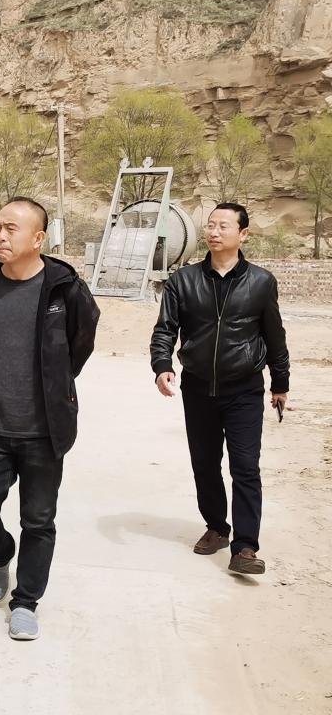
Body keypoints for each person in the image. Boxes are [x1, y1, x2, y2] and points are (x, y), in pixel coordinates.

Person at [0, 196, 99, 641]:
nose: (0, 236)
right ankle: (1, 554)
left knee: (38, 521)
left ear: (38, 238)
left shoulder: (64, 288)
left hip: (43, 431)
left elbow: (81, 341)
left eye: (11, 229)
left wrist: (55, 384)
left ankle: (25, 601)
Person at [150, 202, 289, 575]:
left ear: (243, 234)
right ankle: (216, 527)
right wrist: (162, 366)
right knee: (205, 464)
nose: (214, 232)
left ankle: (245, 547)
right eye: (210, 225)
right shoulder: (183, 281)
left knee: (245, 467)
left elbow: (274, 336)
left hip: (244, 389)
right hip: (198, 389)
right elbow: (165, 329)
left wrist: (280, 383)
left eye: (223, 226)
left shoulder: (261, 282)